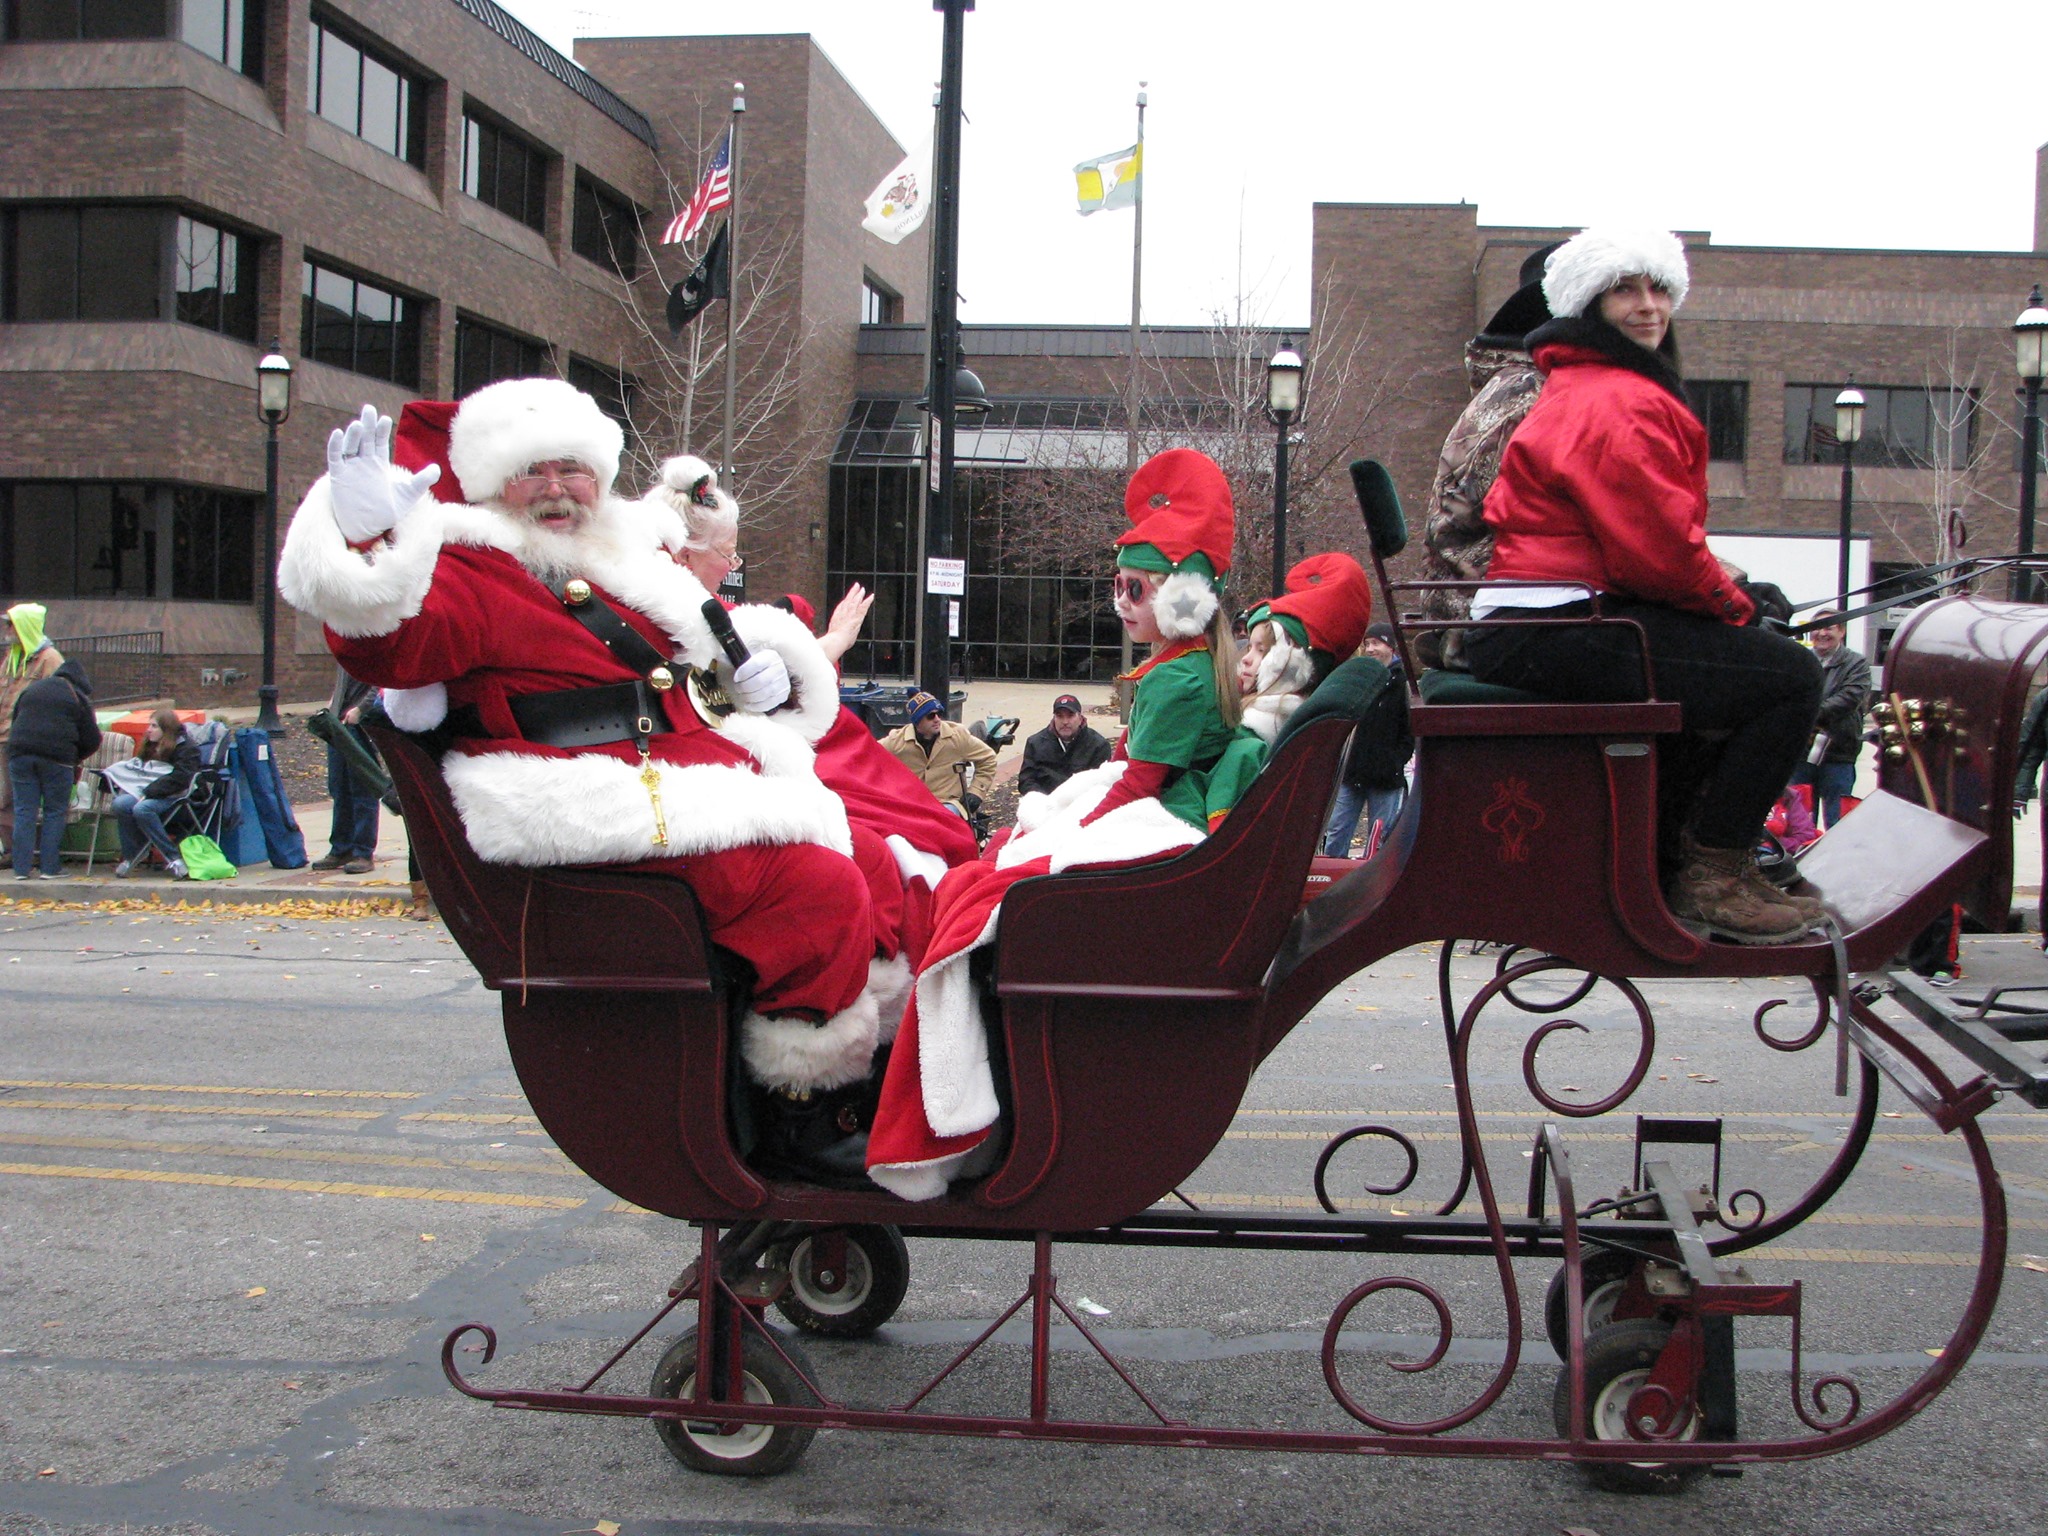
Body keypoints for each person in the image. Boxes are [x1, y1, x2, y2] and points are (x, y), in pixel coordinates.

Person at [278, 380, 912, 1183]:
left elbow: (686, 646)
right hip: (596, 804)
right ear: (489, 481)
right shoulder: (471, 568)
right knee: (813, 889)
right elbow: (392, 645)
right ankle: (805, 1107)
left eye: (572, 469)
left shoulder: (614, 553)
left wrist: (748, 679)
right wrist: (369, 543)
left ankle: (872, 1062)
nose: (554, 488)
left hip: (684, 775)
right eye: (530, 471)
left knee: (875, 862)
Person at [1463, 227, 1825, 944]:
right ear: (1589, 303)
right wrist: (1738, 608)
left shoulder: (1590, 386)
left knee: (1729, 673)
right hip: (1557, 624)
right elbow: (1654, 551)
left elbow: (1650, 543)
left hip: (1539, 620)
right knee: (1791, 679)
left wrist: (1724, 603)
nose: (1647, 305)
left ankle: (1674, 865)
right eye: (1625, 289)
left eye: (1658, 288)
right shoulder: (1617, 398)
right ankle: (1713, 874)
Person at [636, 454, 977, 873]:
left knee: (913, 818)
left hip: (772, 753)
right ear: (686, 557)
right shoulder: (670, 621)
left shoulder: (702, 612)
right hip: (737, 766)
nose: (731, 566)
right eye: (729, 554)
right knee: (899, 833)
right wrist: (832, 643)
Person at [1414, 243, 1559, 671]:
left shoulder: (1527, 386)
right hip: (1484, 620)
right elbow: (1466, 521)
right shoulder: (1527, 392)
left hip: (1489, 612)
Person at [1238, 553, 1374, 744]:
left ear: (1291, 664)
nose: (1245, 659)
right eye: (1249, 648)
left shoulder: (1253, 736)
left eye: (1261, 650)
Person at [1325, 623, 1414, 857]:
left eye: (1376, 643)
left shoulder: (1403, 685)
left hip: (1386, 777)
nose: (1370, 649)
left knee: (1382, 837)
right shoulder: (1360, 681)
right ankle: (1333, 881)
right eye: (1367, 644)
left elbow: (1410, 731)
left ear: (1391, 647)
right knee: (1337, 830)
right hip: (1352, 772)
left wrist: (1394, 761)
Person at [8, 655, 99, 879]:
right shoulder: (76, 697)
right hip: (57, 760)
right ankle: (49, 868)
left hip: (19, 755)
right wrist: (75, 757)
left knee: (24, 811)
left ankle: (20, 869)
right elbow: (93, 738)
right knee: (54, 812)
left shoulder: (32, 690)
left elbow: (16, 719)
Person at [1788, 612, 1870, 829]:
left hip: (1838, 752)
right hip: (1801, 753)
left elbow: (1849, 698)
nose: (1822, 633)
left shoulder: (1856, 663)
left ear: (1841, 632)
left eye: (1829, 628)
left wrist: (1807, 712)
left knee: (1838, 821)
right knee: (1798, 821)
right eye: (1817, 627)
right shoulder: (1799, 660)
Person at [2, 603, 67, 860]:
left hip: (25, 741)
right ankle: (12, 850)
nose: (7, 630)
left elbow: (58, 699)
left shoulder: (50, 659)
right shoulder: (13, 655)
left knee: (21, 799)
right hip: (5, 736)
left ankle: (29, 854)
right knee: (5, 799)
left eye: (11, 625)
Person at [111, 707, 197, 879]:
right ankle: (132, 854)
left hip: (175, 796)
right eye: (149, 725)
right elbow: (140, 771)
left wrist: (150, 791)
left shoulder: (186, 748)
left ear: (166, 730)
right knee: (120, 804)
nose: (148, 730)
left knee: (142, 809)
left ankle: (174, 857)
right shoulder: (150, 746)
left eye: (154, 726)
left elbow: (181, 778)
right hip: (146, 791)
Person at [882, 691, 998, 811]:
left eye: (939, 714)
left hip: (949, 803)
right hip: (911, 804)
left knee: (944, 818)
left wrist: (976, 791)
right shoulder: (897, 741)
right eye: (930, 716)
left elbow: (988, 758)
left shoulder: (957, 736)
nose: (937, 719)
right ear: (917, 721)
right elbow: (869, 753)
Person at [313, 665, 379, 874]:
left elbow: (381, 683)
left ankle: (363, 852)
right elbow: (343, 681)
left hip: (360, 724)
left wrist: (361, 709)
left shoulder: (373, 643)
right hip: (339, 721)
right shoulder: (345, 644)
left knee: (362, 789)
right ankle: (342, 848)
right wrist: (333, 704)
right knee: (339, 787)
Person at [1017, 694, 1111, 796]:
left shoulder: (1099, 745)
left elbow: (1101, 783)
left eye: (1070, 716)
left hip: (1083, 804)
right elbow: (1026, 780)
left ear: (1080, 717)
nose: (1065, 722)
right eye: (1060, 716)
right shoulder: (1035, 743)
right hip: (1045, 804)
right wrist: (1042, 800)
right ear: (1054, 718)